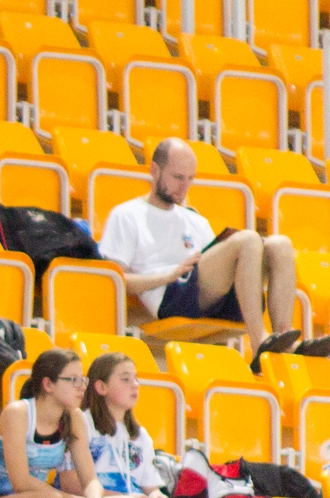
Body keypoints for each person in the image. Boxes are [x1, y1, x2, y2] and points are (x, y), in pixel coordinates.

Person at [98, 138, 322, 363]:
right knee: (247, 239)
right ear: (155, 170)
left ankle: (285, 337)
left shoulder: (194, 218)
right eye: (177, 177)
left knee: (280, 245)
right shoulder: (126, 214)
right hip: (171, 295)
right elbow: (114, 279)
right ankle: (259, 341)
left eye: (190, 179)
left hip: (208, 293)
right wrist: (168, 276)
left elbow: (214, 260)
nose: (184, 186)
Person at [0, 350, 136, 498]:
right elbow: (21, 482)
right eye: (73, 380)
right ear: (48, 384)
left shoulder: (74, 417)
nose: (81, 388)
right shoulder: (18, 413)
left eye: (83, 380)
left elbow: (90, 480)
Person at [83, 352, 219, 498]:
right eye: (125, 379)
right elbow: (78, 482)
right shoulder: (84, 423)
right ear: (101, 387)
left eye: (136, 379)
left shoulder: (139, 434)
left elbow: (150, 485)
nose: (135, 385)